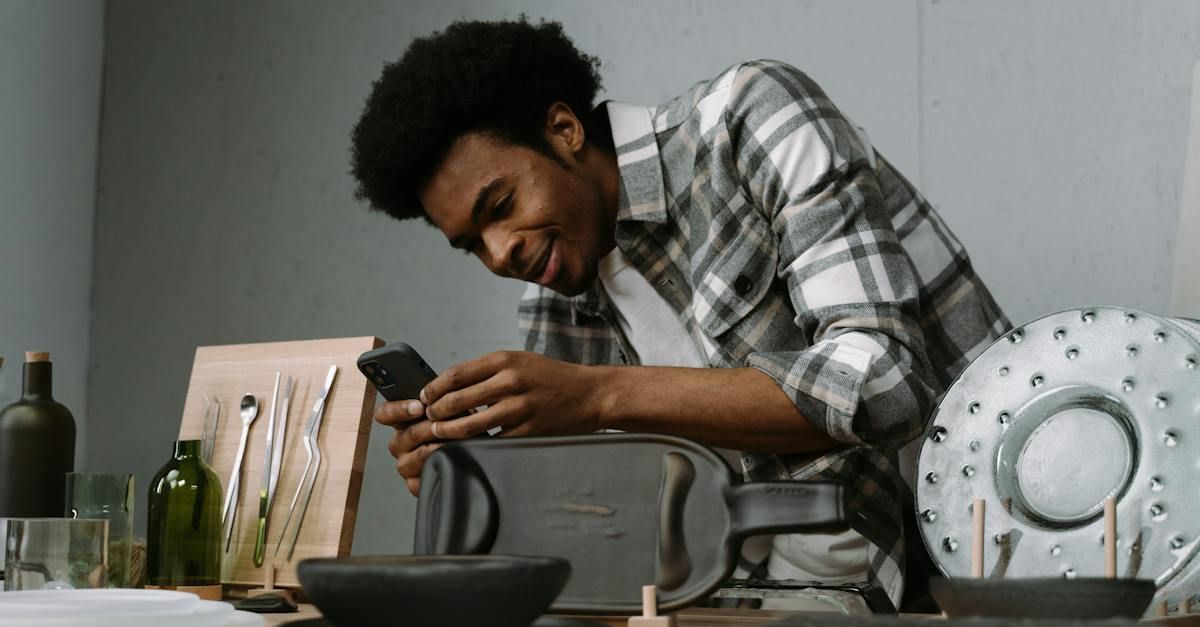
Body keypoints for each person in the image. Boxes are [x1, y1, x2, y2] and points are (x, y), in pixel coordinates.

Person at [349, 18, 1008, 610]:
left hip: (962, 556)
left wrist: (599, 397)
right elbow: (592, 529)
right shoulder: (556, 302)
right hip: (759, 598)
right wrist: (474, 476)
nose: (499, 253)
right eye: (471, 244)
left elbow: (888, 383)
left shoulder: (748, 121)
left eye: (499, 207)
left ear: (564, 129)